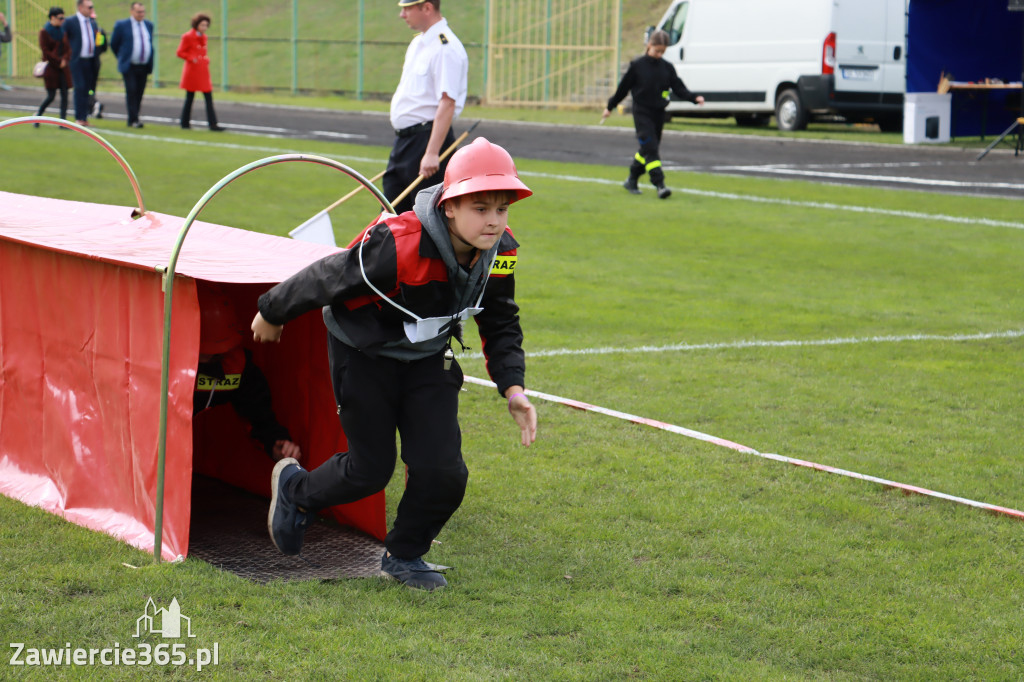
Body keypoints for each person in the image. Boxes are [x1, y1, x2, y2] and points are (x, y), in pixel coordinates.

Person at [251, 138, 537, 591]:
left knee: (444, 472)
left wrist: (514, 388)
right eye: (480, 208)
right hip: (363, 355)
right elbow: (330, 274)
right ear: (448, 206)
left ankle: (404, 554)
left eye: (501, 209)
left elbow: (501, 318)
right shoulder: (399, 244)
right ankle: (294, 491)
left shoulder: (501, 251)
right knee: (370, 469)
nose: (493, 221)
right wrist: (272, 310)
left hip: (427, 360)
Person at [195, 283, 302, 464]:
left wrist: (276, 443)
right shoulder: (151, 362)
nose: (212, 354)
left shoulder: (237, 366)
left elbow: (258, 415)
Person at [384, 0, 468, 215]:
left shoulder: (445, 47)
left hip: (427, 140)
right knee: (392, 215)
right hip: (405, 141)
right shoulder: (418, 44)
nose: (402, 15)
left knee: (426, 219)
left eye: (407, 8)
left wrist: (432, 153)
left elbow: (447, 102)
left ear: (427, 8)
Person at [602, 29, 705, 199]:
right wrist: (610, 106)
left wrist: (694, 98)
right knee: (651, 149)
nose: (659, 54)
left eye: (662, 52)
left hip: (658, 114)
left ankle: (632, 179)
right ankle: (660, 185)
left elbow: (678, 87)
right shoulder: (637, 66)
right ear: (649, 46)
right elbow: (623, 89)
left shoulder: (667, 68)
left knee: (647, 149)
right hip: (641, 113)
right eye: (657, 50)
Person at [176, 13, 223, 131]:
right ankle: (184, 122)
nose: (204, 28)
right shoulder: (188, 36)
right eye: (202, 25)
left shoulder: (204, 37)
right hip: (192, 70)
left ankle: (213, 124)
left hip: (202, 71)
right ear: (196, 25)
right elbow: (180, 52)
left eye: (206, 25)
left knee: (208, 97)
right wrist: (192, 58)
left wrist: (206, 59)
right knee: (190, 97)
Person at [110, 2, 153, 128]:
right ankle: (133, 119)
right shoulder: (122, 25)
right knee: (131, 90)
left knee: (139, 91)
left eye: (143, 12)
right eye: (139, 12)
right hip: (129, 65)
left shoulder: (149, 25)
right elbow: (114, 44)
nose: (141, 14)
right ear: (132, 12)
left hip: (143, 65)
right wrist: (122, 57)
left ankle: (135, 117)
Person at [62, 0, 99, 126]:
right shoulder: (70, 22)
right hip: (76, 61)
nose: (91, 9)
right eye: (89, 7)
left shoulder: (93, 23)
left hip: (90, 61)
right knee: (80, 87)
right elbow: (62, 39)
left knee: (88, 89)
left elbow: (97, 40)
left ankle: (84, 117)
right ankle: (79, 117)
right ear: (80, 7)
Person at [35, 8, 72, 126]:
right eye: (60, 18)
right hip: (51, 68)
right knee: (51, 96)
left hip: (63, 68)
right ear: (52, 18)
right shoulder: (44, 32)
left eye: (63, 18)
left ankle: (63, 122)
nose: (62, 21)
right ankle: (37, 117)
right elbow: (45, 51)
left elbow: (68, 49)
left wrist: (65, 59)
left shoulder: (62, 31)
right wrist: (58, 61)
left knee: (65, 95)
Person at [87, 6, 107, 119]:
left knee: (86, 88)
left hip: (87, 62)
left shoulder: (91, 30)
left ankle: (94, 104)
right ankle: (91, 105)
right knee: (91, 88)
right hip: (96, 61)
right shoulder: (99, 30)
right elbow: (103, 47)